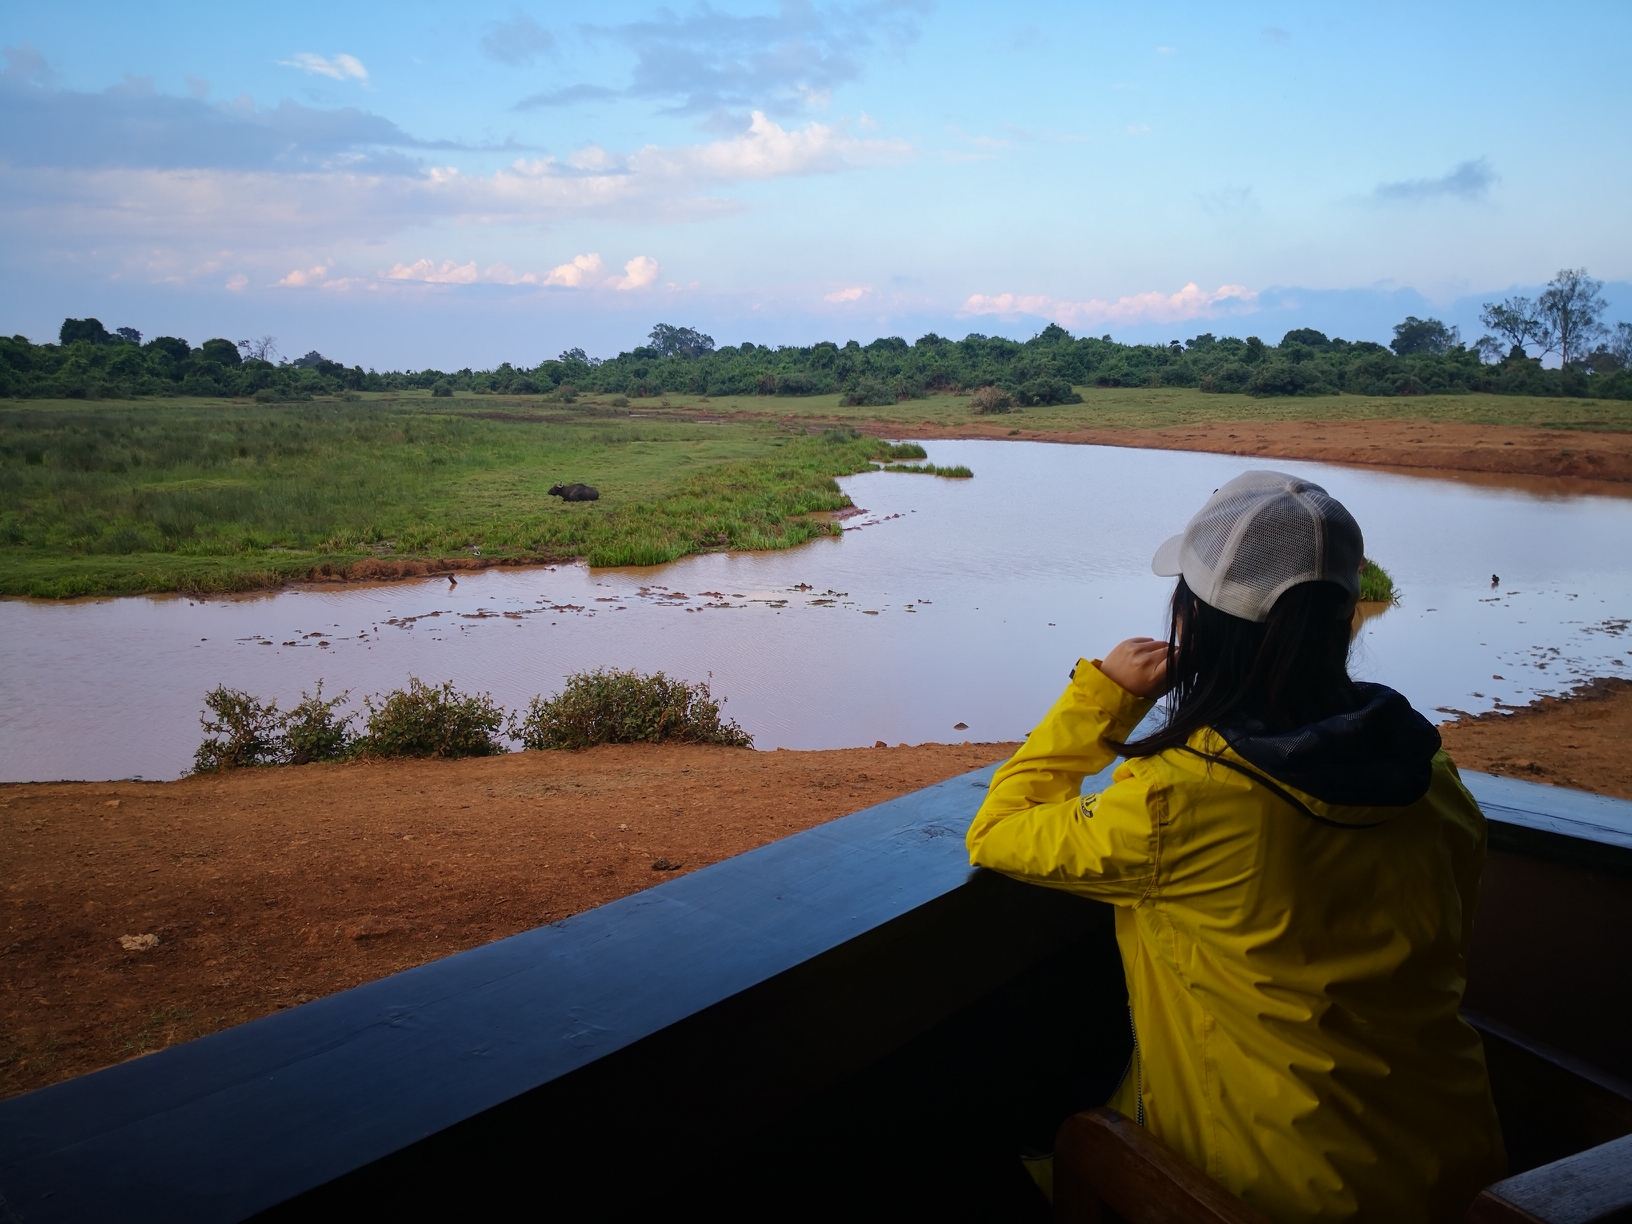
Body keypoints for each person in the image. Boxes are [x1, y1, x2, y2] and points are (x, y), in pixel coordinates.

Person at [966, 471, 1506, 1223]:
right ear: (1345, 616)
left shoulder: (1180, 798)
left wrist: (1104, 696)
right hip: (1459, 1169)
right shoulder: (1430, 772)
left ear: (1196, 619)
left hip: (1267, 1195)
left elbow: (997, 828)